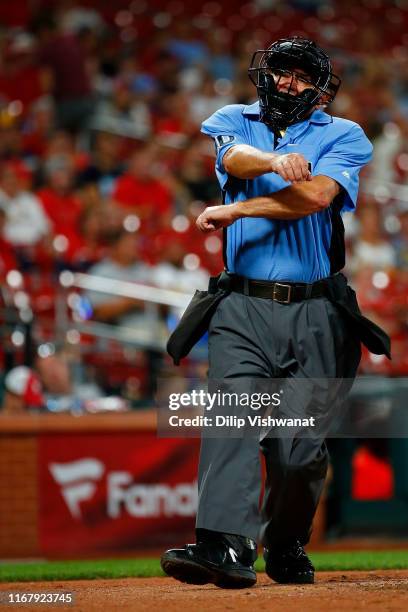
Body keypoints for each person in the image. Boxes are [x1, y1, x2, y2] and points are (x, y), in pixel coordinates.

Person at [161, 37, 390, 589]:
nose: (287, 83)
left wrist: (237, 207)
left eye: (300, 76)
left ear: (320, 90)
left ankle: (285, 541)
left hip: (318, 313)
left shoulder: (345, 134)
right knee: (231, 421)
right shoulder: (232, 119)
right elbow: (234, 157)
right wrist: (275, 160)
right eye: (281, 72)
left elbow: (315, 197)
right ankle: (224, 547)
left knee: (297, 452)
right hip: (241, 305)